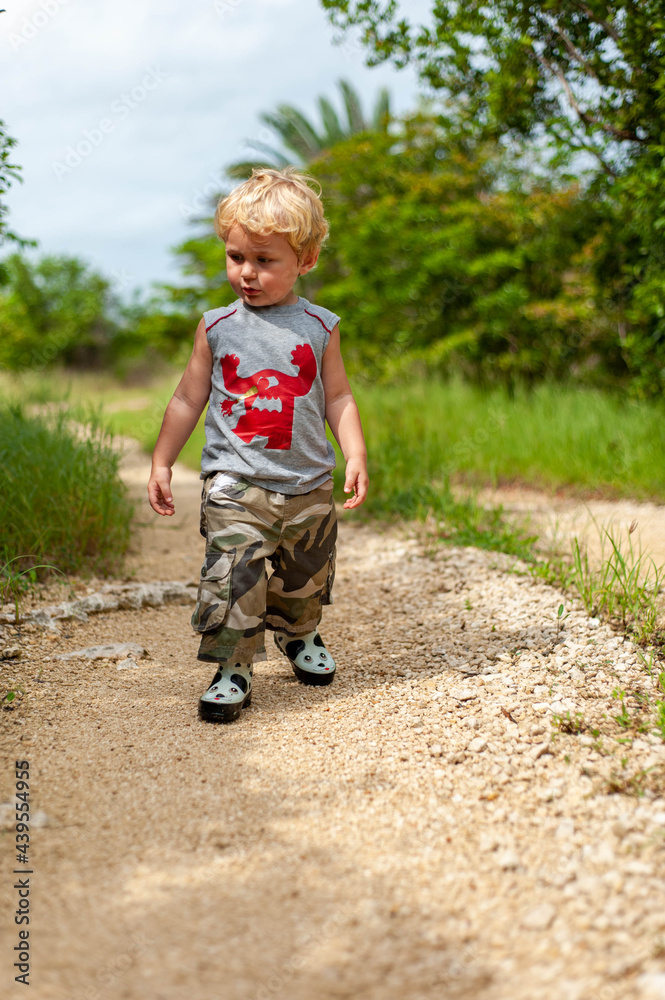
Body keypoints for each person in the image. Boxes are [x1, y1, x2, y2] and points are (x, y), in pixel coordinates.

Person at [148, 168, 368, 723]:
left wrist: (355, 454)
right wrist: (162, 461)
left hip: (308, 484)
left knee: (303, 578)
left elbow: (339, 396)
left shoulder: (320, 326)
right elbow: (186, 398)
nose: (246, 272)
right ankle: (233, 667)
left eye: (264, 260)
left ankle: (299, 633)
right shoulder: (217, 326)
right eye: (235, 257)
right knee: (235, 577)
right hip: (236, 484)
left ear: (305, 260)